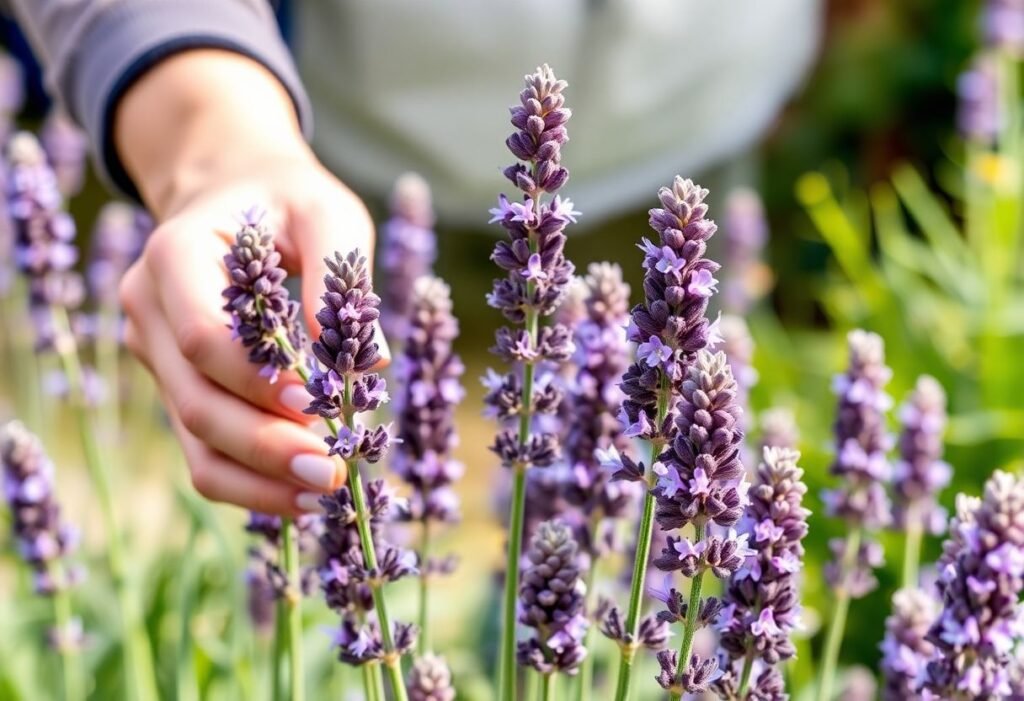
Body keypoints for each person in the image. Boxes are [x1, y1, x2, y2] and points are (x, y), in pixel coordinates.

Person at [5, 0, 821, 515]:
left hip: (698, 105)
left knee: (633, 525)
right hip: (333, 121)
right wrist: (209, 137)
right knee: (302, 465)